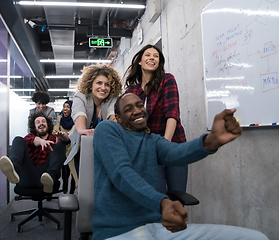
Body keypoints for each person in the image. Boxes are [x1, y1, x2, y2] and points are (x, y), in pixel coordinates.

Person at [92, 93, 269, 240]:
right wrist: (162, 203)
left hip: (158, 229)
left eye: (139, 105)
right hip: (118, 232)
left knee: (257, 237)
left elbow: (177, 153)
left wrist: (210, 141)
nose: (137, 110)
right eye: (128, 109)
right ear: (119, 118)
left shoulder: (153, 140)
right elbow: (121, 173)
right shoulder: (107, 130)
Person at [124, 44, 188, 193]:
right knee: (153, 196)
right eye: (147, 55)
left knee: (176, 196)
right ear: (139, 61)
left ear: (159, 62)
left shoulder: (167, 80)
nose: (152, 57)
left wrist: (165, 145)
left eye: (156, 56)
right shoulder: (132, 91)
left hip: (173, 145)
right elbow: (128, 123)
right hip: (148, 151)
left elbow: (172, 114)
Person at [64, 64, 122, 183]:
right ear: (90, 85)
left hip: (104, 147)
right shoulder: (80, 96)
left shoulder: (113, 98)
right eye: (99, 83)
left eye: (107, 84)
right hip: (82, 147)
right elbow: (79, 113)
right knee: (86, 182)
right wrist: (82, 130)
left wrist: (117, 129)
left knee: (104, 181)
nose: (103, 87)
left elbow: (112, 114)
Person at [0, 111, 69, 193]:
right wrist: (41, 141)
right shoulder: (30, 137)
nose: (41, 124)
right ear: (34, 126)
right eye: (38, 122)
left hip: (47, 176)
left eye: (43, 121)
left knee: (61, 143)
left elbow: (68, 141)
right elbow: (32, 140)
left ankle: (50, 178)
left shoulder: (54, 138)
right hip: (28, 175)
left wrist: (64, 136)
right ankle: (14, 169)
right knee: (18, 139)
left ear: (48, 124)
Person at [53, 100, 75, 193]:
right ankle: (65, 190)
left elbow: (75, 131)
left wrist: (65, 134)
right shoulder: (60, 117)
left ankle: (72, 191)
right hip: (63, 148)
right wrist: (58, 133)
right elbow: (54, 130)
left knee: (74, 171)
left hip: (73, 147)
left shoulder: (75, 118)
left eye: (68, 107)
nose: (65, 108)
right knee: (65, 172)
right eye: (64, 106)